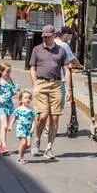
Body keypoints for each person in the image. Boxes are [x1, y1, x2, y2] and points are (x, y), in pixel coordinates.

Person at [27, 25, 69, 159]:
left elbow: (66, 70)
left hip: (56, 85)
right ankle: (37, 140)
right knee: (43, 115)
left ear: (53, 35)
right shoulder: (37, 49)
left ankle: (49, 147)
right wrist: (36, 84)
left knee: (55, 118)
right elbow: (32, 68)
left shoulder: (61, 51)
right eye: (44, 36)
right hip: (41, 83)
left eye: (48, 36)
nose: (45, 38)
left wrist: (68, 89)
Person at [0, 64, 17, 155]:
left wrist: (14, 92)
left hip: (9, 105)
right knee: (4, 126)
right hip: (1, 105)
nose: (8, 73)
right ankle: (4, 146)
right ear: (1, 71)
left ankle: (0, 144)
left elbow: (12, 92)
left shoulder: (10, 80)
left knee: (5, 127)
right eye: (7, 71)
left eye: (9, 71)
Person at [12, 91, 37, 164]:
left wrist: (33, 128)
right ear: (21, 100)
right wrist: (10, 125)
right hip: (21, 127)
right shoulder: (18, 109)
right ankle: (19, 158)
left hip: (28, 129)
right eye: (25, 98)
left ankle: (21, 152)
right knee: (23, 143)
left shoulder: (31, 110)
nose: (28, 99)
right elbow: (14, 117)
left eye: (29, 98)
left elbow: (33, 120)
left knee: (28, 145)